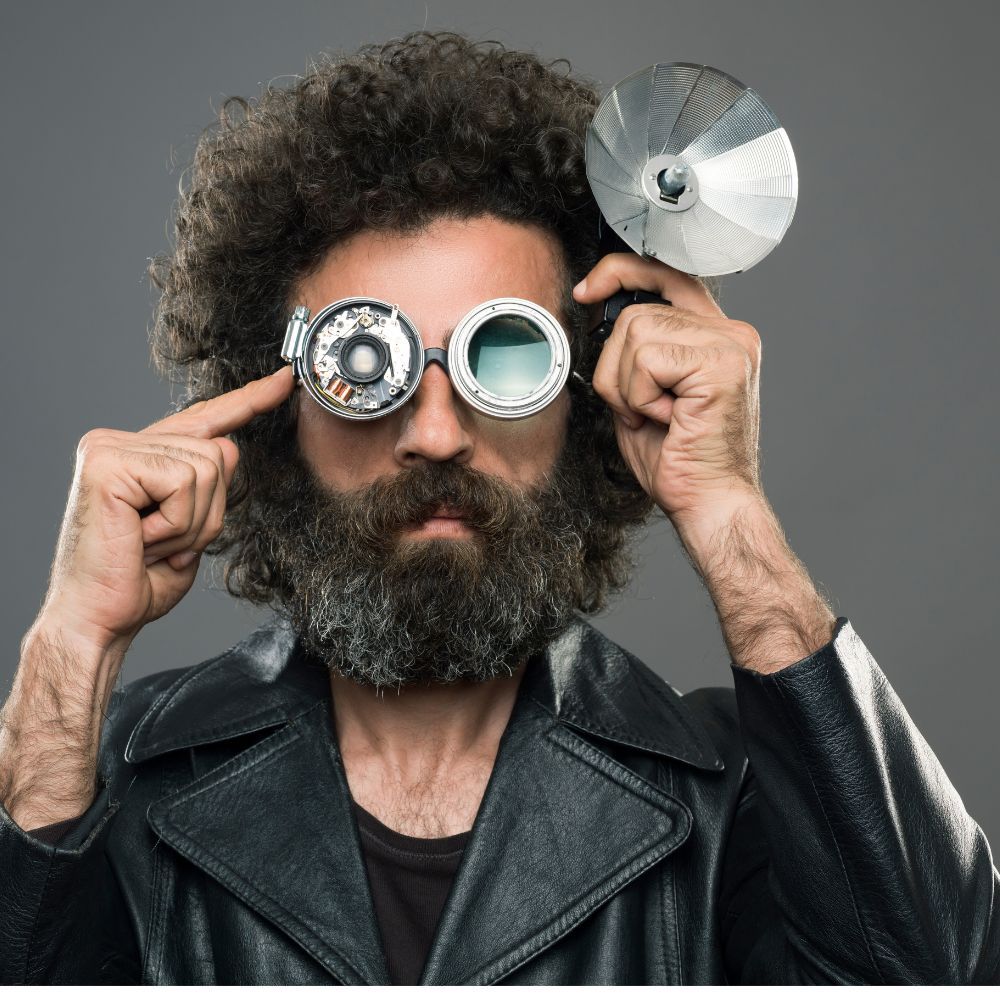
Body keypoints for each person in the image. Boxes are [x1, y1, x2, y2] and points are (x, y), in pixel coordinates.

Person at [0, 30, 997, 986]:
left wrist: (730, 510)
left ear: (586, 396)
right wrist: (70, 643)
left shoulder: (728, 796)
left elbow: (930, 979)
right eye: (364, 363)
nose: (434, 434)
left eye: (502, 357)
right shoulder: (115, 778)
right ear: (275, 404)